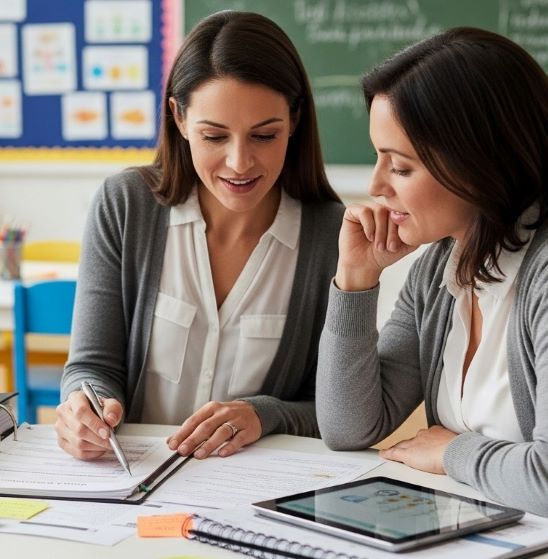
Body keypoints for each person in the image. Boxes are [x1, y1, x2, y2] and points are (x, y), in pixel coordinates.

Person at [316, 27, 548, 557]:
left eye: (401, 166)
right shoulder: (439, 268)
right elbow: (350, 427)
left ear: (475, 163)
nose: (377, 185)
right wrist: (356, 280)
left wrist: (452, 453)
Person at [56, 11, 343, 462]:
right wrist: (84, 409)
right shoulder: (126, 205)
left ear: (294, 120)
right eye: (214, 136)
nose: (240, 163)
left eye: (264, 135)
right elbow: (92, 367)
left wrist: (264, 414)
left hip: (253, 497)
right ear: (180, 118)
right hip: (132, 484)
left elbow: (336, 413)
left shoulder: (331, 235)